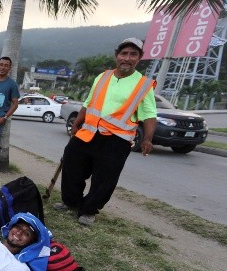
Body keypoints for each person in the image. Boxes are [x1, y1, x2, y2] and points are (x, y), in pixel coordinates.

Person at [55, 38, 157, 226]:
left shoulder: (143, 84)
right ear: (116, 56)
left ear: (140, 58)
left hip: (117, 139)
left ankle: (89, 210)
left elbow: (149, 114)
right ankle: (71, 201)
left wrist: (148, 139)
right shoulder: (102, 77)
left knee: (104, 178)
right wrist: (77, 123)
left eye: (133, 54)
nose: (127, 58)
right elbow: (88, 102)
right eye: (124, 53)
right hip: (89, 132)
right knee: (71, 163)